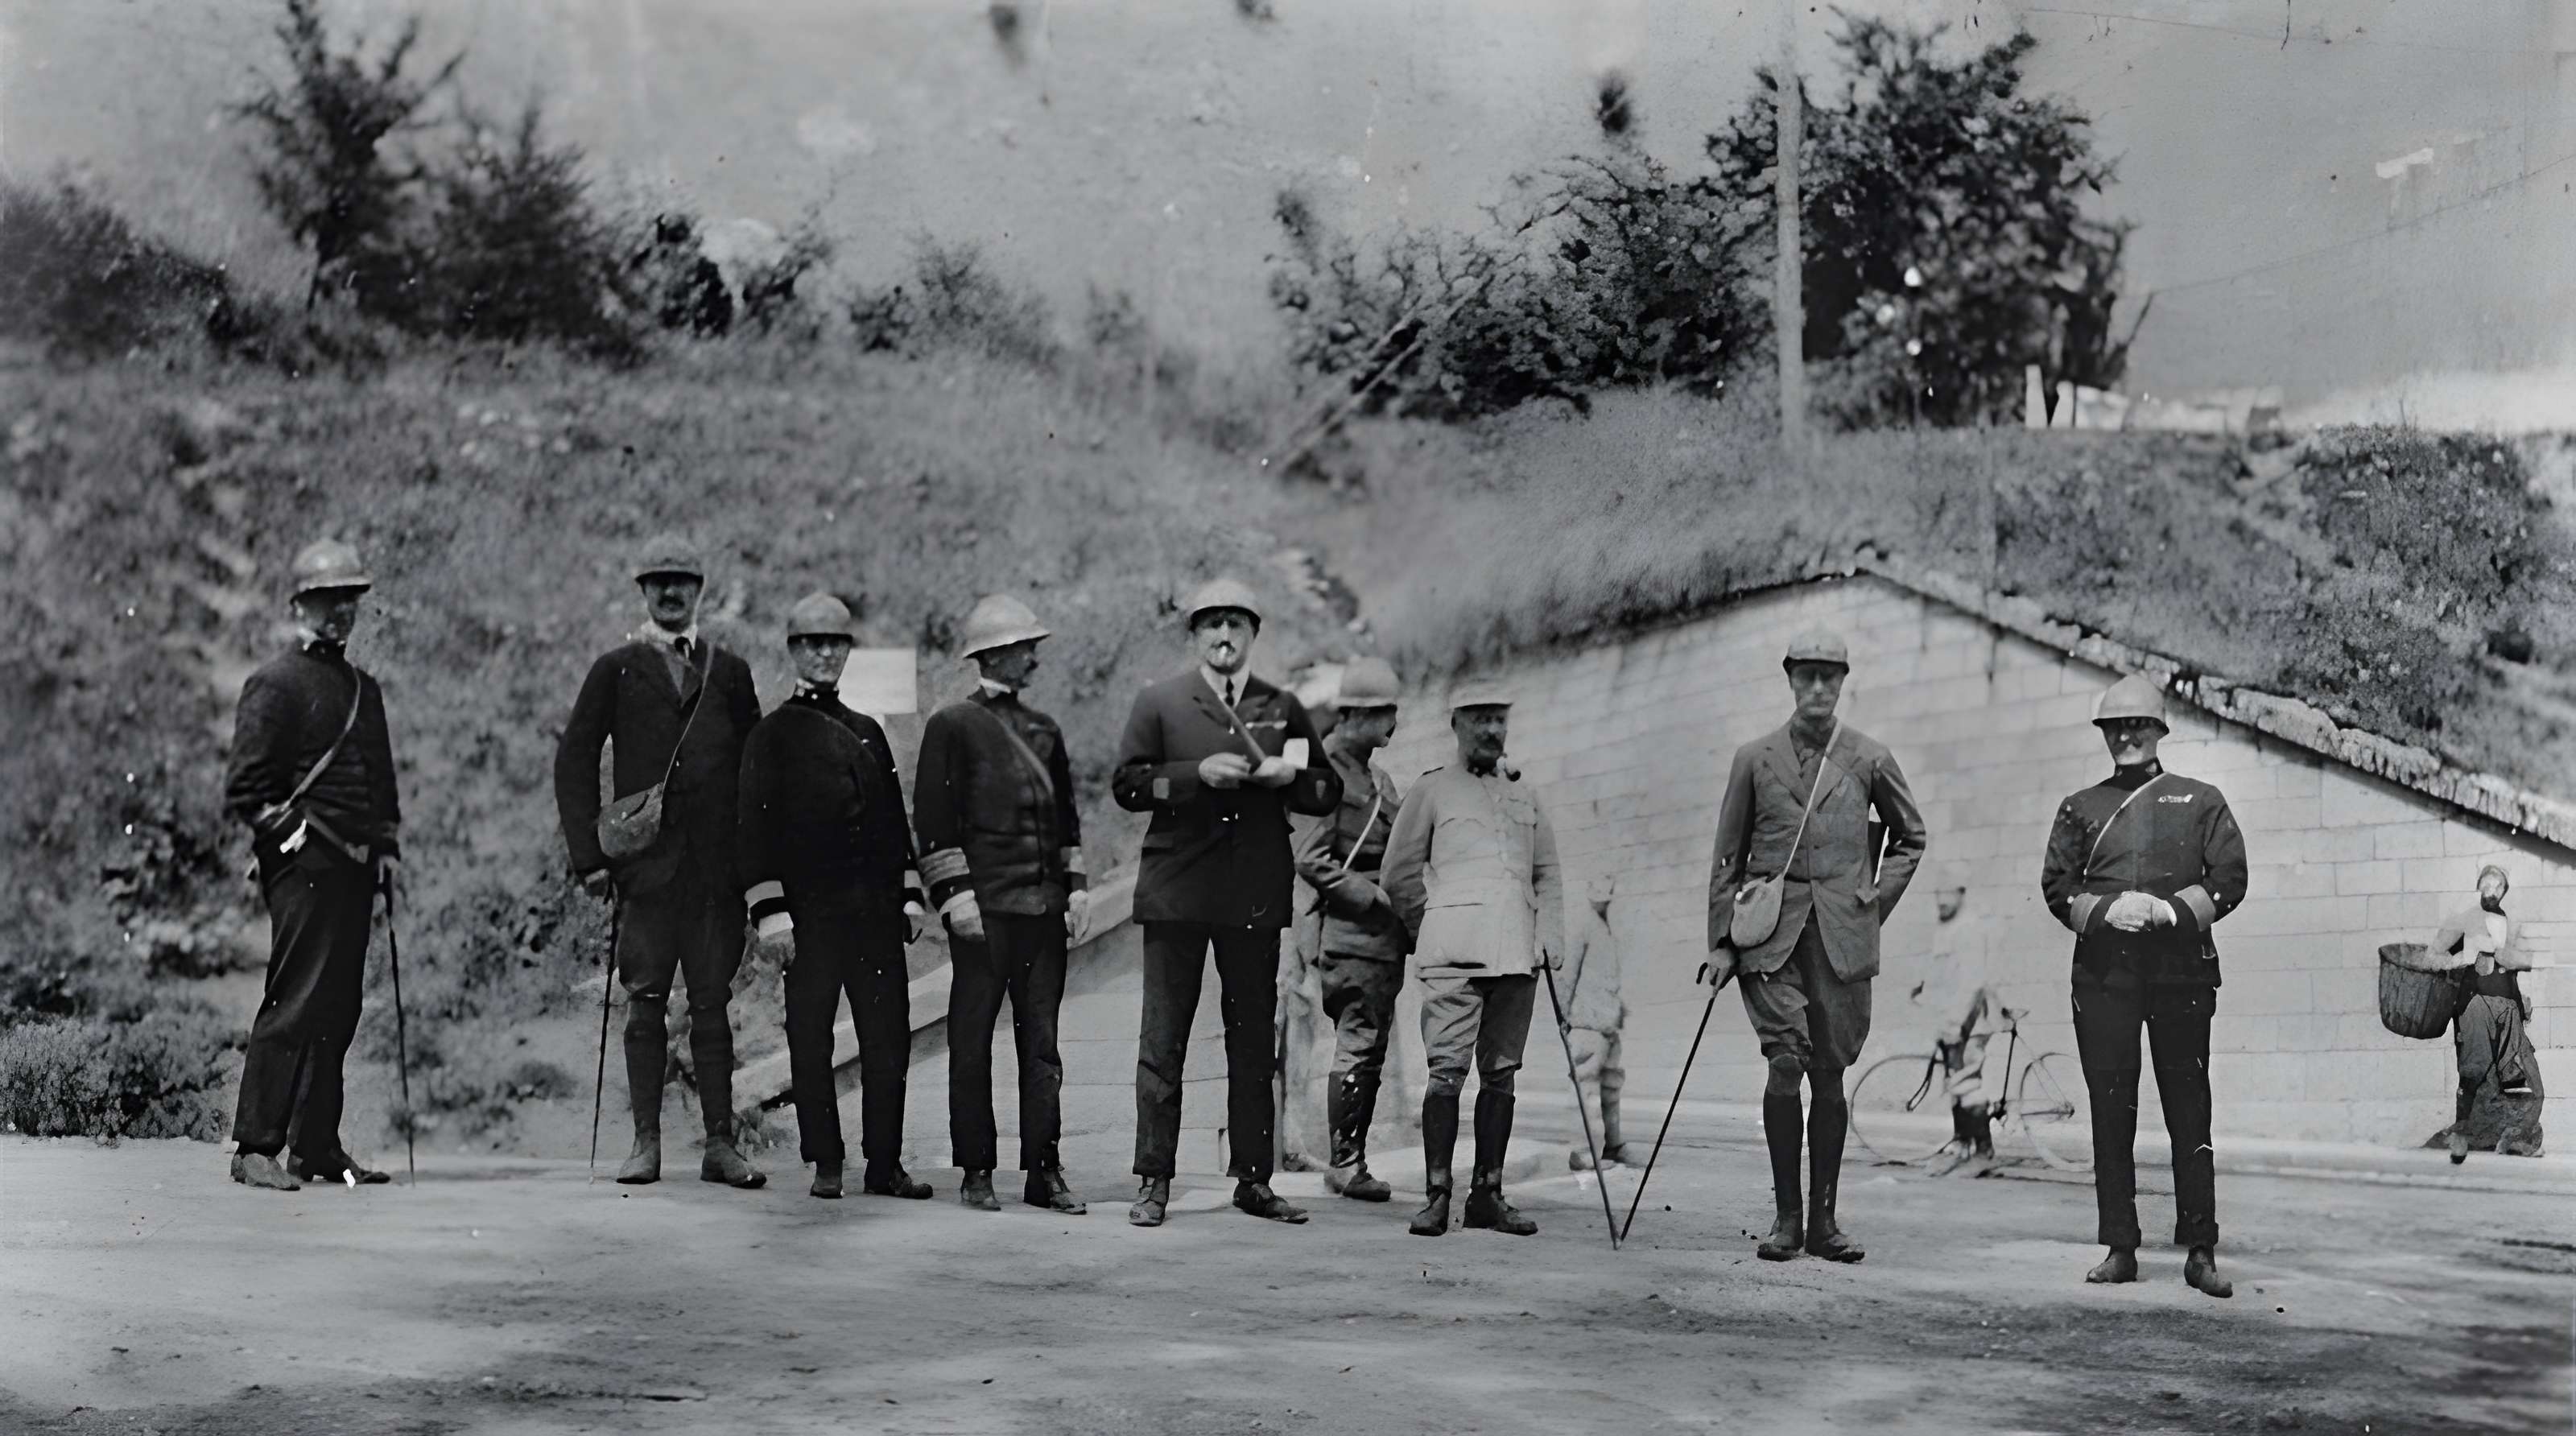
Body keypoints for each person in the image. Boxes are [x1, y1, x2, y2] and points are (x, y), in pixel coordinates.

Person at [1112, 578, 1341, 1227]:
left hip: (1252, 897)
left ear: (1253, 635)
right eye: (1212, 625)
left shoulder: (1281, 705)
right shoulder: (1159, 702)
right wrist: (1194, 775)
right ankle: (1153, 1180)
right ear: (1195, 635)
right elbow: (1126, 785)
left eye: (1237, 625)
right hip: (1178, 892)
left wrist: (1291, 777)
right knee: (1163, 1039)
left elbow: (1327, 790)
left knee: (1251, 1043)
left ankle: (1254, 1180)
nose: (1224, 636)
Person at [1704, 629, 1927, 1265]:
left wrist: (1872, 903)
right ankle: (1786, 1219)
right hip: (1770, 941)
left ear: (1844, 681)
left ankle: (1825, 1223)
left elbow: (1912, 837)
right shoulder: (1755, 758)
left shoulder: (1869, 758)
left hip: (1842, 941)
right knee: (1785, 1062)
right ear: (1791, 679)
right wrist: (1721, 942)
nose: (1820, 688)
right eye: (1809, 676)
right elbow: (1728, 854)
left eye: (1832, 676)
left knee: (1829, 1076)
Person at [551, 533, 766, 1189]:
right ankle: (645, 1144)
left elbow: (757, 767)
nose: (672, 592)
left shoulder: (728, 672)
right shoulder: (615, 667)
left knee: (711, 1004)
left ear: (700, 590)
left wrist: (754, 869)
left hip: (714, 877)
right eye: (658, 581)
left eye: (684, 581)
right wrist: (590, 857)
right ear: (642, 591)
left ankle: (721, 1146)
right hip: (645, 873)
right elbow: (575, 759)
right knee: (645, 1002)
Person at [2041, 672, 2247, 1299]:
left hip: (2180, 971)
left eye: (2138, 725)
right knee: (2110, 1109)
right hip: (2105, 975)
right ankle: (2120, 1246)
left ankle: (2201, 1249)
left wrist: (2169, 912)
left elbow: (2230, 878)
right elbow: (2057, 886)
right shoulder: (2081, 807)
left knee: (2190, 1107)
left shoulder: (2200, 798)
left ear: (2160, 729)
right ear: (2104, 735)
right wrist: (2106, 912)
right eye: (2115, 727)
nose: (2126, 736)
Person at [738, 593, 932, 1200]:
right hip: (809, 919)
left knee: (887, 1038)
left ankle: (885, 1164)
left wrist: (907, 894)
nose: (826, 652)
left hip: (874, 915)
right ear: (794, 650)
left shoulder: (869, 731)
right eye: (813, 642)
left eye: (836, 642)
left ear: (848, 651)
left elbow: (893, 824)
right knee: (811, 1039)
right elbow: (752, 832)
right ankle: (825, 1160)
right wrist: (772, 914)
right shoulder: (770, 736)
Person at [223, 538, 402, 1191]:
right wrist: (293, 835)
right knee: (294, 1001)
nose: (340, 613)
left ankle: (317, 1146)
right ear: (300, 604)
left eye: (348, 600)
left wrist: (385, 850)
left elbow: (380, 787)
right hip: (302, 865)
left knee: (341, 1008)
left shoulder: (365, 689)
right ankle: (253, 1148)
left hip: (355, 868)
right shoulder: (274, 682)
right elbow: (246, 788)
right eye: (327, 600)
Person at [914, 594, 1091, 1214]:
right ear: (991, 654)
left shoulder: (1045, 730)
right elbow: (933, 826)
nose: (1033, 659)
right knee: (972, 1043)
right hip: (982, 913)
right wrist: (955, 899)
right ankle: (976, 1170)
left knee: (1042, 1046)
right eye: (1024, 648)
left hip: (1042, 912)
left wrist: (1076, 889)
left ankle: (1045, 1172)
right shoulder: (952, 725)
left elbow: (1067, 822)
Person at [1382, 684, 1563, 1237]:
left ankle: (1489, 1193)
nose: (1491, 730)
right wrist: (1432, 925)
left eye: (1499, 719)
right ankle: (1438, 1195)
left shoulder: (1525, 794)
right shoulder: (1433, 791)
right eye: (1480, 719)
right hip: (1452, 957)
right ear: (1456, 724)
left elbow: (1548, 874)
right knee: (1446, 1074)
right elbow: (1398, 874)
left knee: (1502, 1076)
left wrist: (1548, 938)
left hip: (1515, 956)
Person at [1289, 656, 1410, 1202]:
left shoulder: (1378, 779)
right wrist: (1373, 895)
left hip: (1384, 941)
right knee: (1357, 1046)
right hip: (1349, 935)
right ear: (1357, 714)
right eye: (1385, 712)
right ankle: (1345, 1163)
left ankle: (1353, 1158)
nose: (1394, 723)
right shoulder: (1326, 773)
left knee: (1373, 1048)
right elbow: (1310, 859)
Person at [2429, 864, 2544, 1162]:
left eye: (2498, 887)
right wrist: (2460, 957)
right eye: (2487, 885)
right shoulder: (2463, 919)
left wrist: (2522, 985)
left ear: (2505, 891)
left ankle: (2513, 1137)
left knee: (2525, 1076)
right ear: (2478, 885)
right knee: (2473, 1071)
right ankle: (2461, 1135)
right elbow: (2433, 957)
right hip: (2475, 1004)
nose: (2492, 892)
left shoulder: (2511, 923)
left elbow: (2528, 960)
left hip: (2508, 1007)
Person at [1909, 886, 2000, 1178]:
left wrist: (1955, 1023)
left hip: (1968, 1025)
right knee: (1957, 1085)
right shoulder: (1949, 930)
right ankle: (1962, 1145)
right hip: (1953, 1022)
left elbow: (1973, 982)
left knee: (1968, 1087)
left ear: (1963, 894)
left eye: (1948, 894)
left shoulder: (1968, 930)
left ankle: (1984, 1153)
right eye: (1938, 894)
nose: (1942, 901)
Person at [1559, 875, 1633, 1170]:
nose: (1604, 896)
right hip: (1587, 1022)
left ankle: (1612, 1146)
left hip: (1607, 1022)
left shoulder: (1603, 926)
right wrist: (1564, 1015)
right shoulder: (1584, 925)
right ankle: (1583, 1152)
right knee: (1586, 1085)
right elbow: (1569, 974)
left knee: (1611, 1084)